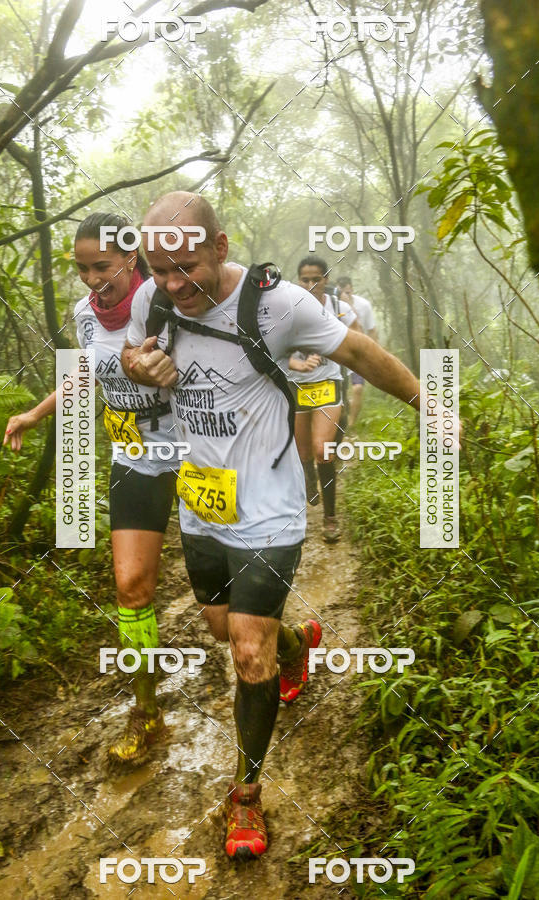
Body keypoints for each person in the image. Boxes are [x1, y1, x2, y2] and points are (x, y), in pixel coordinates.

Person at [122, 191, 421, 862]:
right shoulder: (152, 301)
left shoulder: (279, 305)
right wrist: (137, 366)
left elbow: (359, 351)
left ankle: (246, 796)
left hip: (270, 510)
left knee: (246, 652)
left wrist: (430, 404)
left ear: (221, 247)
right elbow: (128, 362)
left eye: (187, 268)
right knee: (224, 628)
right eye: (160, 270)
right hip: (203, 504)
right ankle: (297, 643)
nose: (174, 285)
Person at [3, 212, 178, 768]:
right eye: (82, 268)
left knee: (221, 610)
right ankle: (146, 713)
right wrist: (34, 414)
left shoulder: (167, 300)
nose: (90, 279)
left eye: (101, 266)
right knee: (131, 586)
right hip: (133, 453)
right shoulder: (84, 314)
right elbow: (83, 375)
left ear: (131, 258)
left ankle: (290, 645)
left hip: (197, 448)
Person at [282, 256, 361, 543]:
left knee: (323, 452)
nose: (310, 285)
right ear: (297, 281)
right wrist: (297, 363)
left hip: (329, 385)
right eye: (304, 280)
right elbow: (274, 349)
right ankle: (308, 478)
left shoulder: (339, 308)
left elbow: (359, 342)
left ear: (325, 279)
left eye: (316, 279)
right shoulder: (286, 309)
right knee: (303, 454)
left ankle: (330, 518)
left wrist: (349, 363)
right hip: (296, 387)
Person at [336, 276, 378, 429]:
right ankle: (341, 418)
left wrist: (372, 353)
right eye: (341, 293)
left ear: (352, 289)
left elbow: (372, 330)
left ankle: (351, 424)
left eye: (348, 292)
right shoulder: (332, 305)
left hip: (359, 354)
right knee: (340, 392)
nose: (345, 296)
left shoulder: (364, 305)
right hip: (339, 354)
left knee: (358, 388)